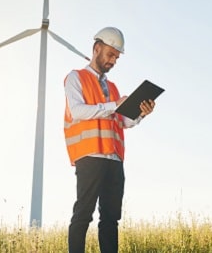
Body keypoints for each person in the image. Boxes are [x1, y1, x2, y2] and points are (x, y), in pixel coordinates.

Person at [63, 27, 155, 253]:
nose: (113, 60)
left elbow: (123, 121)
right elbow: (77, 111)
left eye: (117, 57)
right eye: (110, 55)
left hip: (114, 158)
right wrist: (114, 105)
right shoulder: (76, 77)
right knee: (83, 214)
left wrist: (141, 112)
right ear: (97, 49)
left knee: (111, 218)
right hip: (90, 155)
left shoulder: (113, 88)